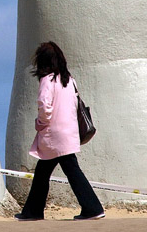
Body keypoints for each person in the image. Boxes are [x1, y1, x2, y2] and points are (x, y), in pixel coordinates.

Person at [15, 41, 105, 221]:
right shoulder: (69, 80)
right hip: (68, 134)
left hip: (53, 135)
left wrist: (41, 122)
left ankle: (92, 208)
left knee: (66, 172)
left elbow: (44, 104)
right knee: (45, 172)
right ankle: (33, 212)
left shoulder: (47, 80)